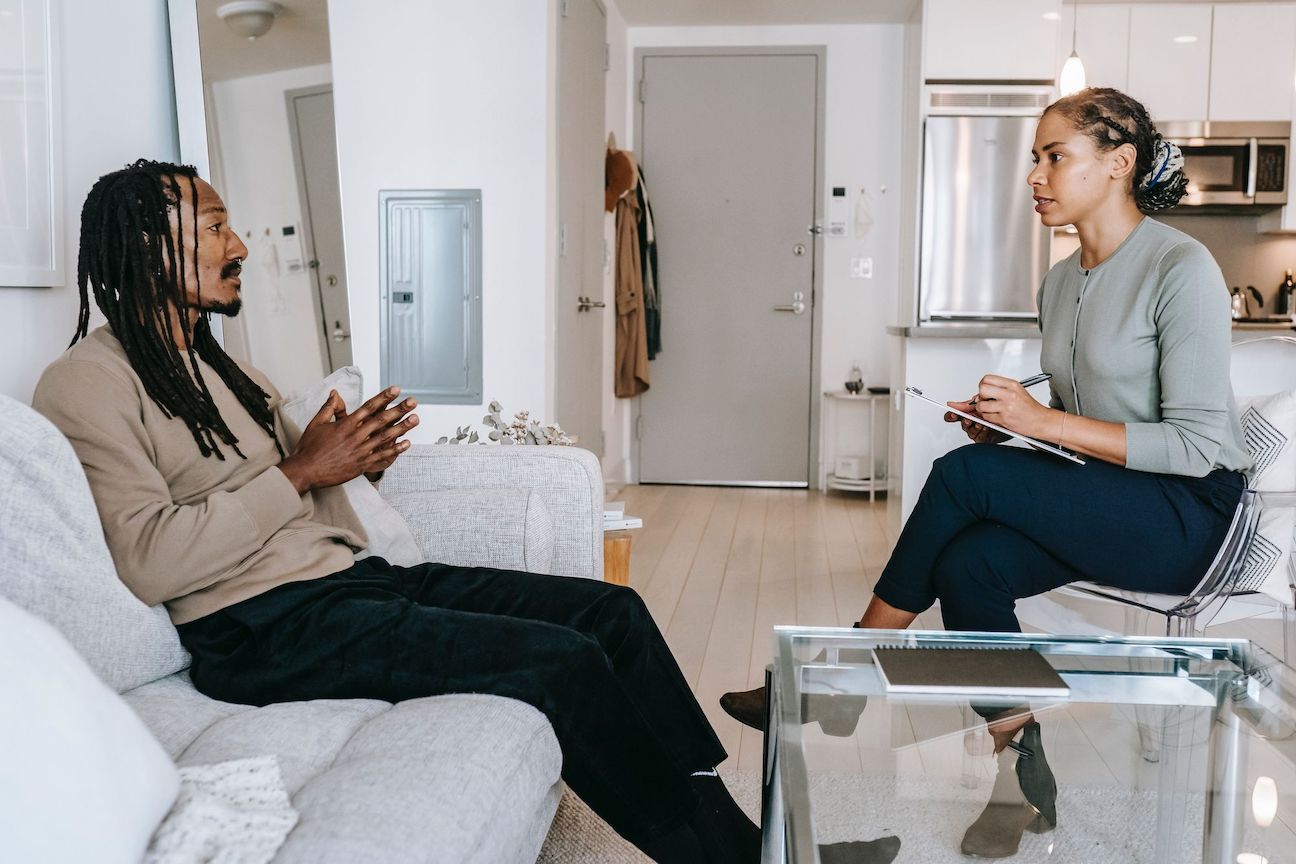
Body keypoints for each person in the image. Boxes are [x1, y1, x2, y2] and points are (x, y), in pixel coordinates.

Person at [36, 159, 769, 864]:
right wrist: (303, 469)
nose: (241, 247)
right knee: (564, 663)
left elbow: (303, 498)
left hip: (348, 585)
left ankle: (747, 840)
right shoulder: (87, 383)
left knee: (615, 615)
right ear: (148, 246)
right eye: (216, 226)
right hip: (262, 632)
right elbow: (148, 560)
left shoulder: (222, 366)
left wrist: (358, 464)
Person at [721, 87, 1251, 856]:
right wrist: (1005, 426)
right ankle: (1019, 785)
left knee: (964, 479)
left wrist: (1040, 424)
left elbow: (1197, 445)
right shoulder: (1062, 281)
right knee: (971, 567)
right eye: (1035, 158)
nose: (1035, 175)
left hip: (1190, 516)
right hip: (1118, 500)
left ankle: (840, 669)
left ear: (1118, 163)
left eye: (1054, 157)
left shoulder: (1182, 267)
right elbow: (1079, 428)